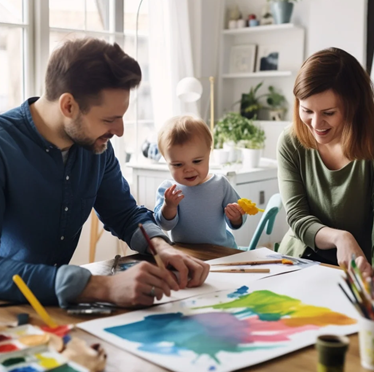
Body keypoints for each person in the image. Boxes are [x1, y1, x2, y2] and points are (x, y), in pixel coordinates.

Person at [0, 38, 209, 307]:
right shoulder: (5, 147)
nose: (120, 131)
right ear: (68, 106)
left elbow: (123, 213)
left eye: (122, 116)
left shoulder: (97, 145)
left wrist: (161, 246)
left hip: (57, 310)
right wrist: (98, 286)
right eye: (110, 119)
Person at [277, 47, 374, 276]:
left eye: (329, 113)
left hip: (359, 270)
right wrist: (341, 237)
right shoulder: (290, 142)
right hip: (298, 261)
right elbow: (297, 218)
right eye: (307, 110)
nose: (316, 123)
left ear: (354, 106)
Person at [154, 115, 246, 249]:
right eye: (178, 164)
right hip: (185, 254)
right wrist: (169, 206)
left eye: (196, 161)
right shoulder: (168, 190)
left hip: (220, 250)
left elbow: (238, 222)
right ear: (167, 161)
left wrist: (236, 216)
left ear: (209, 154)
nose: (188, 170)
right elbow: (164, 225)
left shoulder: (220, 184)